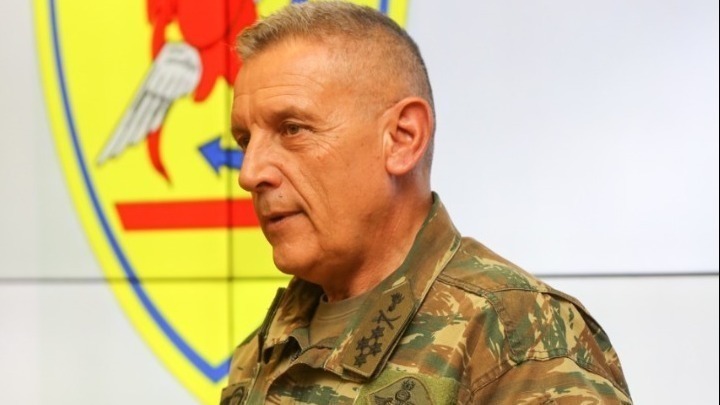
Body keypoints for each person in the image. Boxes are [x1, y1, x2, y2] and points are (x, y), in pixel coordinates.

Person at [221, 2, 632, 404]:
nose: (249, 173)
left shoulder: (517, 339)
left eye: (292, 129)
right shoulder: (262, 351)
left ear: (403, 138)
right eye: (245, 141)